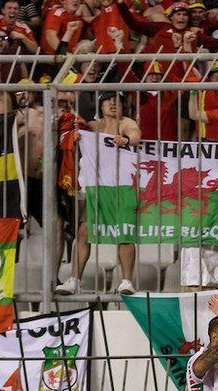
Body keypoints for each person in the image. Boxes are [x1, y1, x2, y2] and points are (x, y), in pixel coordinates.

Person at [55, 92, 141, 296]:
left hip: (121, 187)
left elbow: (136, 136)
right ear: (100, 106)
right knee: (84, 232)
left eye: (117, 101)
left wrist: (126, 140)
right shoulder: (93, 127)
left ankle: (126, 281)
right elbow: (74, 131)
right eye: (108, 100)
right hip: (96, 188)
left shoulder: (126, 123)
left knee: (125, 233)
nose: (113, 104)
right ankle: (74, 280)